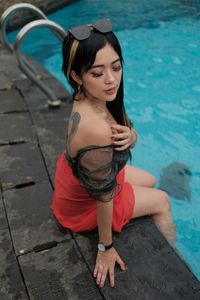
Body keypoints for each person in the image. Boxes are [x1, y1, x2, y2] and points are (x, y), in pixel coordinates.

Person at [51, 19, 175, 288]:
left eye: (116, 67)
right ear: (76, 75)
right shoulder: (95, 128)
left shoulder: (94, 97)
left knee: (151, 179)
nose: (111, 79)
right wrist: (105, 247)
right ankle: (172, 259)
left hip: (78, 179)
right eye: (97, 73)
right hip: (84, 203)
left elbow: (129, 133)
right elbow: (104, 197)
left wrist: (131, 136)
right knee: (162, 200)